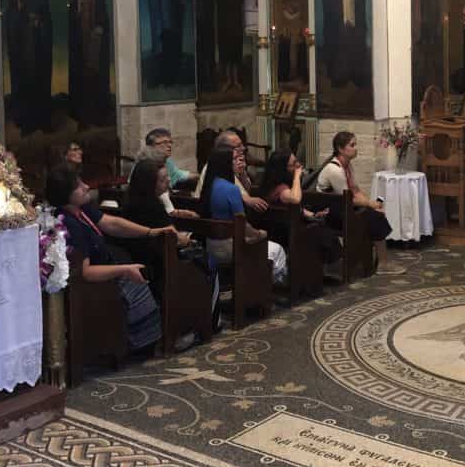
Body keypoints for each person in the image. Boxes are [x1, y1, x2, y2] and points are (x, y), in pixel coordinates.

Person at [45, 165, 162, 353]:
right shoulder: (69, 223)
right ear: (66, 195)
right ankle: (137, 343)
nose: (86, 187)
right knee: (139, 277)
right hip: (91, 283)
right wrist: (125, 269)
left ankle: (144, 340)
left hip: (105, 265)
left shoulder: (80, 209)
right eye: (79, 186)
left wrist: (149, 232)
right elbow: (86, 272)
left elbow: (112, 224)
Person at [123, 159, 220, 339]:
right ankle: (210, 321)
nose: (168, 182)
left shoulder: (129, 203)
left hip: (140, 258)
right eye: (162, 179)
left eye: (167, 177)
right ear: (149, 184)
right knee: (211, 261)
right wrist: (187, 238)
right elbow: (176, 239)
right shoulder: (154, 207)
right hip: (164, 264)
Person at [198, 148, 287, 283]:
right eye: (234, 159)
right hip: (232, 248)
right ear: (225, 163)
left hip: (211, 246)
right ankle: (264, 289)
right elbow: (243, 226)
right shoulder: (231, 189)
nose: (239, 162)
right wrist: (259, 234)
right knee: (277, 250)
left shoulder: (209, 186)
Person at [316, 131, 395, 272]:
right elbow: (349, 199)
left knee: (374, 214)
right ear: (340, 149)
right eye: (352, 145)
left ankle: (374, 260)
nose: (355, 148)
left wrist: (372, 204)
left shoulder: (347, 165)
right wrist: (370, 205)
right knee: (374, 217)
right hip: (330, 214)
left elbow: (356, 191)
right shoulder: (334, 169)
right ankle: (382, 263)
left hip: (342, 208)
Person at [256, 149, 340, 264]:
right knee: (325, 234)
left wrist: (314, 215)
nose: (298, 165)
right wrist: (297, 176)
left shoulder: (274, 184)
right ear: (283, 169)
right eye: (294, 164)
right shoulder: (280, 189)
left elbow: (296, 209)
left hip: (287, 226)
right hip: (285, 232)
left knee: (326, 228)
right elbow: (295, 199)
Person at [5, 0, 52, 133]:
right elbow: (12, 15)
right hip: (23, 44)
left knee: (40, 79)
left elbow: (46, 13)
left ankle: (42, 119)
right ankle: (25, 121)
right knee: (24, 80)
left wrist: (40, 23)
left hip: (39, 42)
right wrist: (25, 20)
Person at [195, 130, 268, 214]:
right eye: (238, 146)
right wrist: (248, 199)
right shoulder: (215, 167)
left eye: (242, 144)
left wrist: (242, 174)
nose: (243, 148)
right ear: (224, 149)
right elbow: (230, 192)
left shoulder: (234, 163)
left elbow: (247, 190)